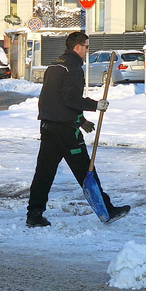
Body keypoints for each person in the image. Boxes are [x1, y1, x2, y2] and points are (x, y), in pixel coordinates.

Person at [25, 31, 130, 227]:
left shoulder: (54, 66)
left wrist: (80, 120)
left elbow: (55, 100)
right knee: (86, 171)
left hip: (48, 127)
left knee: (43, 174)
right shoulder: (73, 68)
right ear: (77, 47)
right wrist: (95, 105)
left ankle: (34, 215)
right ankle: (106, 210)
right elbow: (70, 99)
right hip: (66, 132)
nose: (87, 50)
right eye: (86, 46)